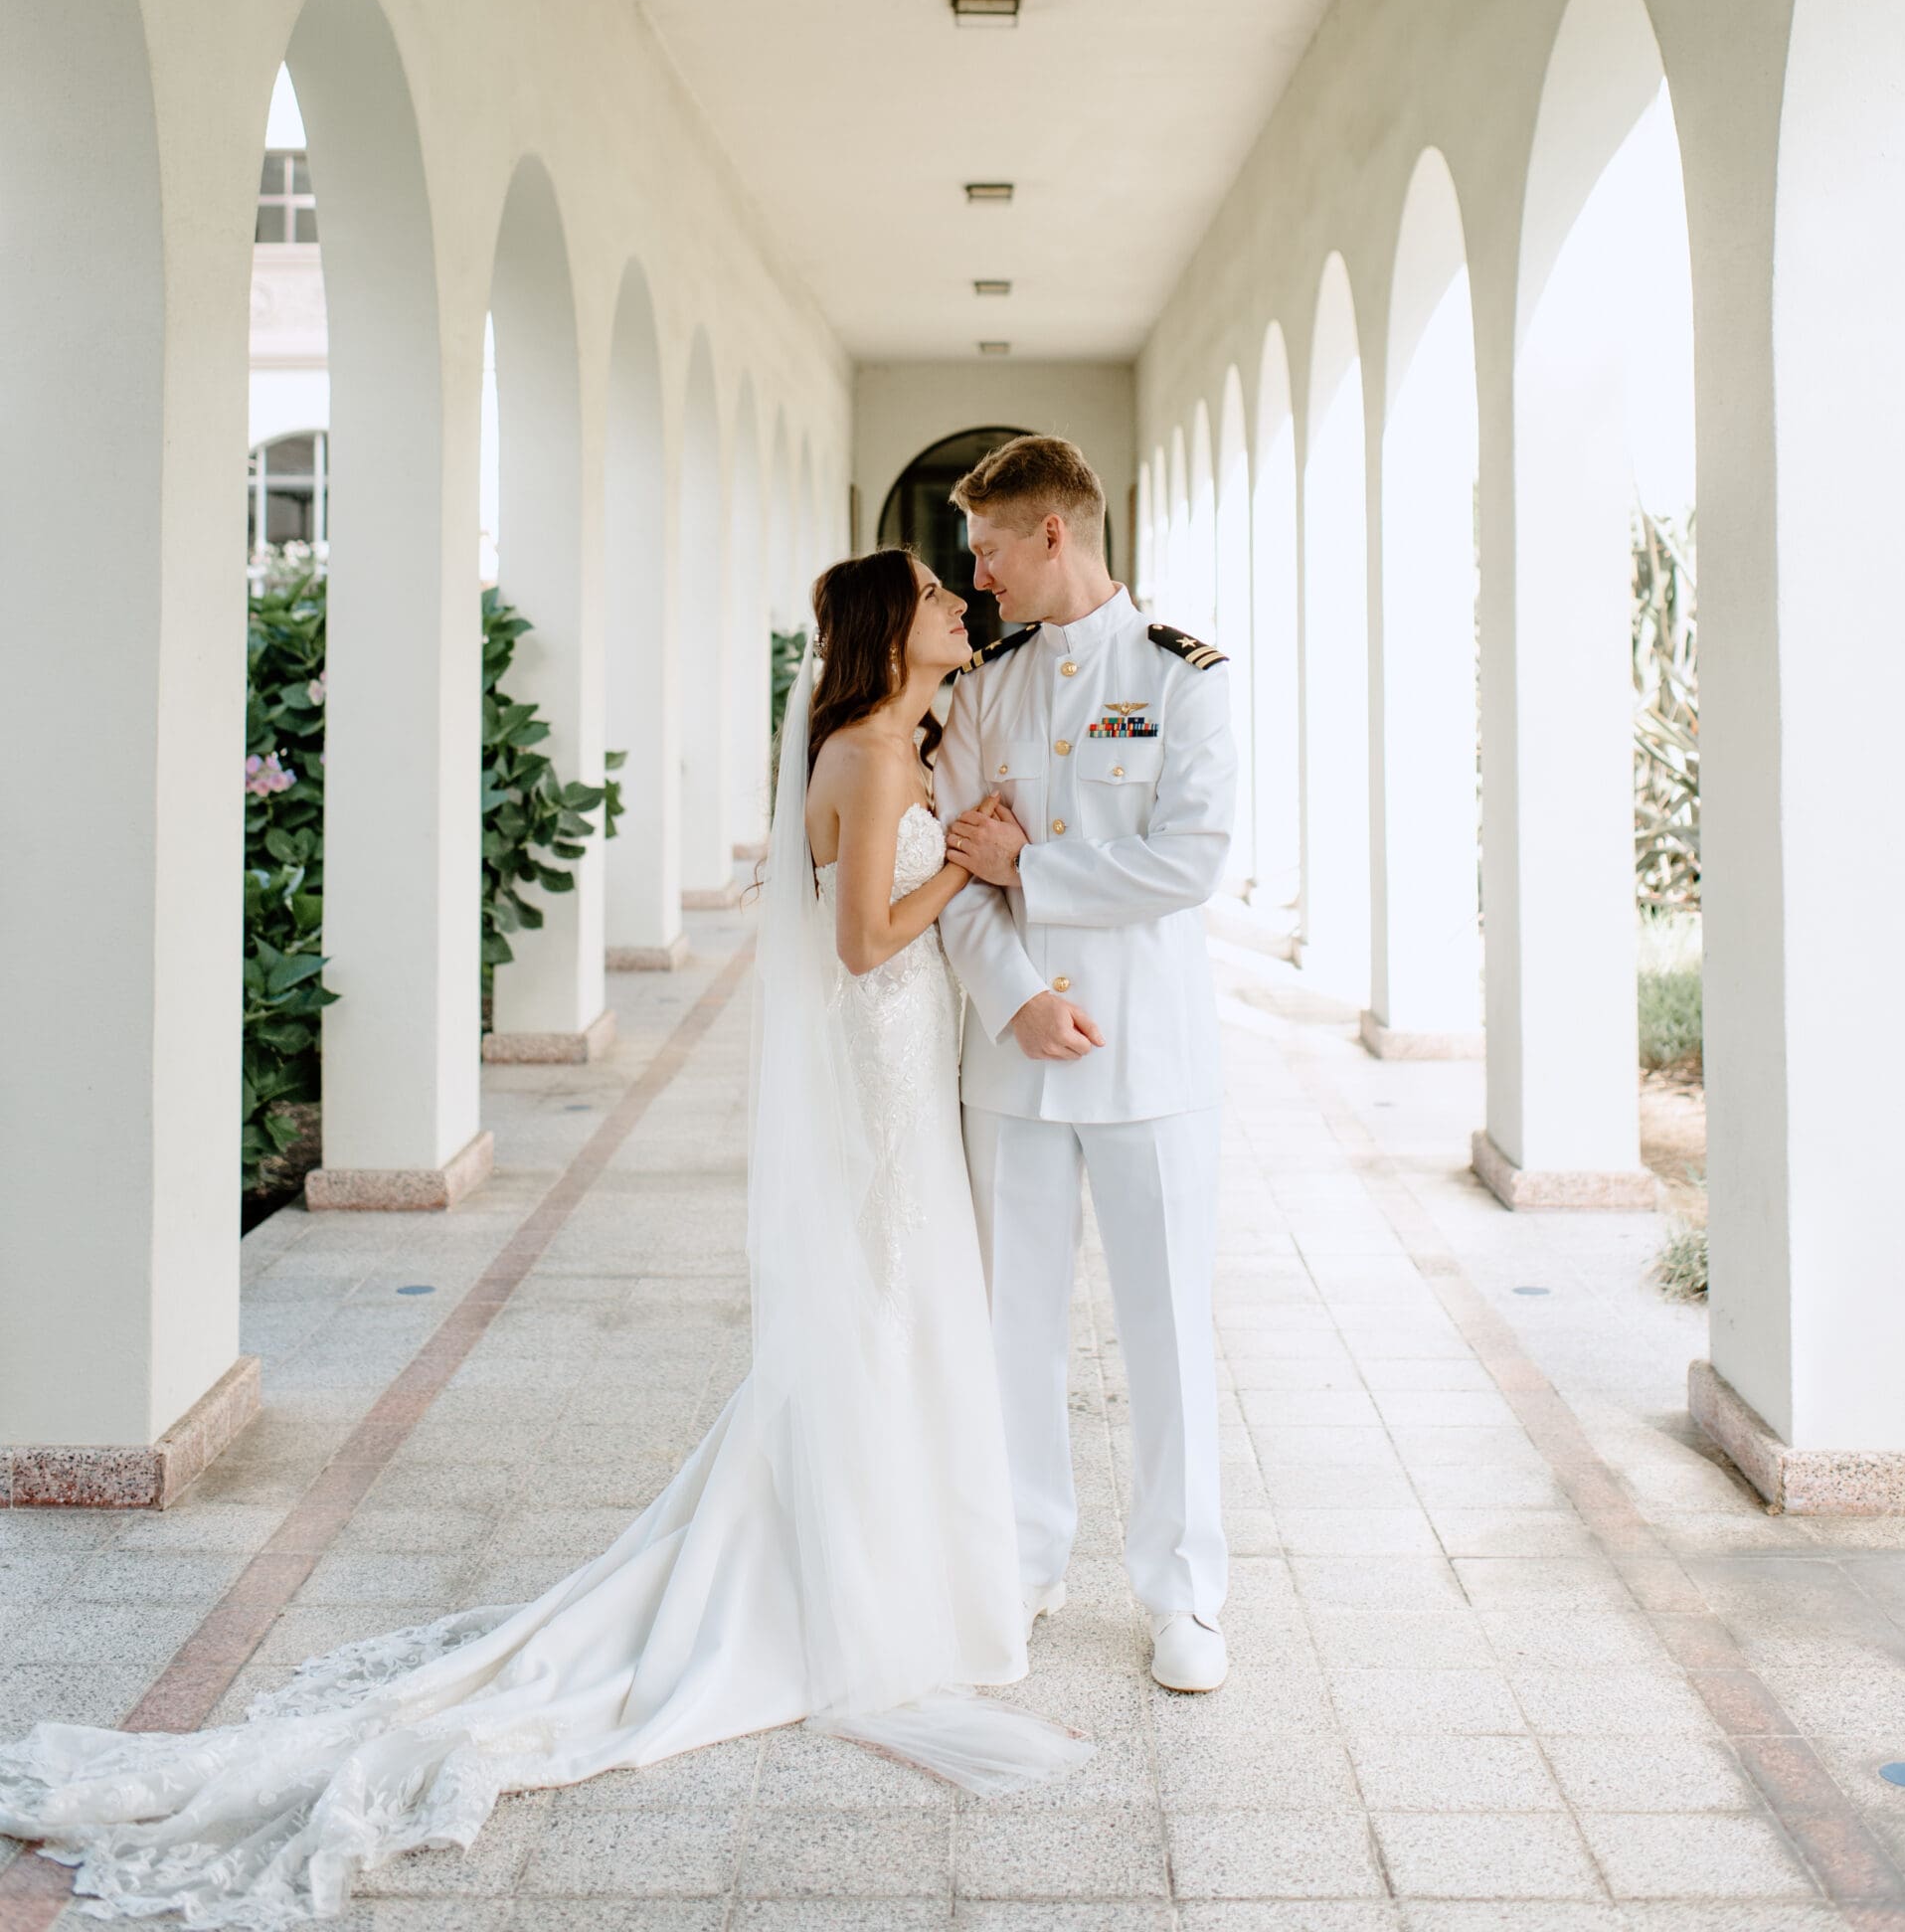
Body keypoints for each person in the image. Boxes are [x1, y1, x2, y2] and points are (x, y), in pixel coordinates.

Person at [0, 548, 1087, 1929]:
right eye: (937, 597)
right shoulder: (872, 762)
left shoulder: (898, 743)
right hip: (880, 1068)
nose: (957, 608)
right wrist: (966, 867)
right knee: (882, 1308)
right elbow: (867, 941)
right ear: (892, 629)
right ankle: (861, 1584)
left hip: (901, 1069)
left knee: (899, 1313)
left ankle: (896, 1557)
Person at [935, 434, 1237, 1694]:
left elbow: (1191, 856)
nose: (977, 576)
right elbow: (943, 866)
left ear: (1051, 533)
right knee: (1011, 1328)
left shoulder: (1180, 678)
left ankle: (1183, 1597)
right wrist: (1012, 1000)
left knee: (1166, 1326)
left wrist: (1033, 874)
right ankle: (1019, 1562)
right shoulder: (983, 684)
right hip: (1012, 1063)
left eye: (990, 548)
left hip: (1145, 1058)